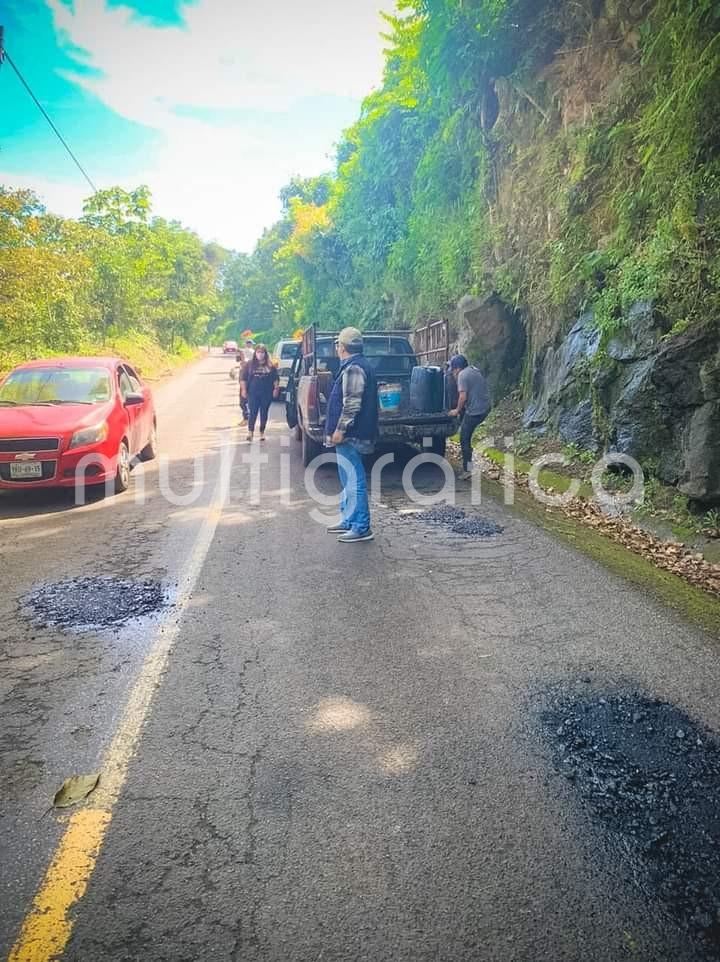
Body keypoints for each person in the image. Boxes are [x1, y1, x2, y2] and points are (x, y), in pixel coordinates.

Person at [325, 326, 378, 543]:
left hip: (351, 436)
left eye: (338, 344)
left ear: (343, 347)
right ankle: (348, 519)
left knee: (354, 481)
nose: (336, 348)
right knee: (348, 479)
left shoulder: (354, 368)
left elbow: (352, 405)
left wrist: (340, 429)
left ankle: (361, 527)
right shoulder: (352, 366)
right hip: (351, 436)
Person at [448, 355, 491, 480]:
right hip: (485, 407)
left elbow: (462, 397)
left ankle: (468, 469)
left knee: (464, 438)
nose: (452, 372)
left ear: (457, 369)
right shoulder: (474, 370)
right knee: (464, 425)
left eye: (453, 369)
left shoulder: (462, 375)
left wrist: (456, 410)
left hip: (475, 411)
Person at [241, 344, 279, 442]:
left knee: (264, 413)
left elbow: (275, 378)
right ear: (255, 353)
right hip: (252, 393)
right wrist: (244, 390)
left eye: (262, 352)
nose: (260, 354)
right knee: (252, 413)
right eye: (258, 352)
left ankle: (262, 432)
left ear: (265, 354)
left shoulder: (270, 365)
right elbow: (243, 379)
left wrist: (276, 389)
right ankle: (250, 432)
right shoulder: (249, 365)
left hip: (266, 393)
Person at [234, 352, 250, 425]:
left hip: (245, 386)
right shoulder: (242, 363)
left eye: (238, 355)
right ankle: (246, 418)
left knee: (243, 403)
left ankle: (246, 419)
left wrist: (244, 388)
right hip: (242, 385)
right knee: (242, 403)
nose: (236, 357)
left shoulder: (245, 363)